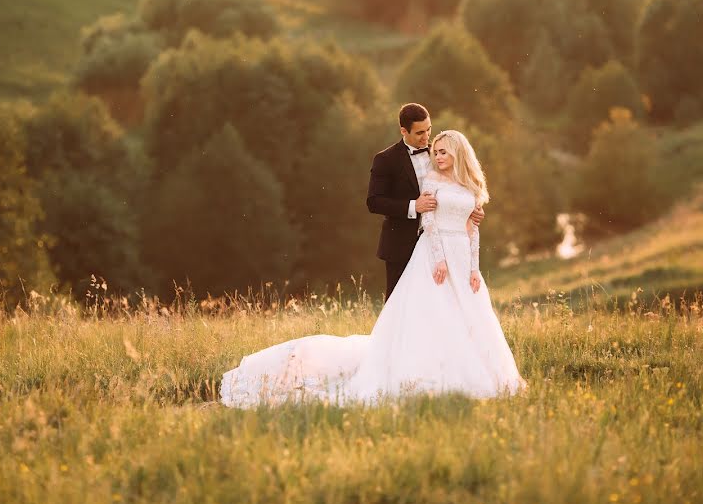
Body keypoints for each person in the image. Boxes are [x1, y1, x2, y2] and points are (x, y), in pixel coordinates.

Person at [219, 129, 526, 408]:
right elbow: (428, 223)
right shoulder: (431, 181)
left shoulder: (471, 184)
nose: (439, 156)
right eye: (437, 152)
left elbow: (473, 228)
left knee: (470, 315)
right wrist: (440, 260)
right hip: (436, 255)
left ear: (460, 152)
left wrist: (474, 268)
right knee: (435, 314)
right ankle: (427, 374)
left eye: (445, 152)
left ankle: (477, 371)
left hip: (463, 256)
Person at [366, 103, 484, 300]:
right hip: (400, 244)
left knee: (438, 302)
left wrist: (472, 210)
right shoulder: (386, 159)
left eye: (429, 129)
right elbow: (374, 201)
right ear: (404, 131)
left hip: (442, 243)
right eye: (420, 132)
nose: (426, 136)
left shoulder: (439, 153)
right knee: (399, 303)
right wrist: (413, 206)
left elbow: (459, 189)